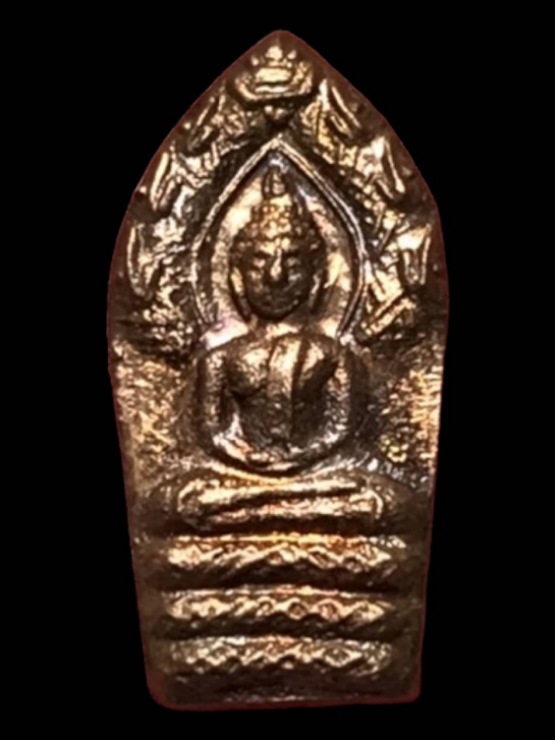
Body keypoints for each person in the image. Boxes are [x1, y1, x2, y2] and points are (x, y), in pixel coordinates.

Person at [195, 166, 360, 473]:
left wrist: (299, 459)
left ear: (316, 277)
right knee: (181, 497)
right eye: (259, 261)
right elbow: (213, 433)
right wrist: (247, 459)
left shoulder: (332, 356)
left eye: (294, 263)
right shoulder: (219, 359)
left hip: (320, 476)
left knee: (382, 497)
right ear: (236, 277)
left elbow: (339, 428)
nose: (276, 276)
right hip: (237, 475)